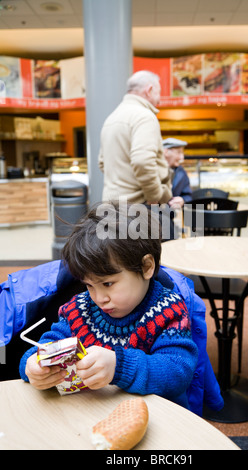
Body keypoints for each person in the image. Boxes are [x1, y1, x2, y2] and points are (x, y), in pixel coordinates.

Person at [19, 202, 199, 409]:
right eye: (89, 285)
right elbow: (51, 343)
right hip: (90, 414)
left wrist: (119, 367)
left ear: (147, 267)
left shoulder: (168, 310)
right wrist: (33, 365)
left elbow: (178, 370)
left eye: (108, 284)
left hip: (157, 418)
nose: (99, 298)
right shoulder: (79, 309)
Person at [99, 71, 172, 205]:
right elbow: (142, 161)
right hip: (138, 208)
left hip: (111, 206)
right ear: (149, 90)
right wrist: (154, 196)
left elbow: (102, 163)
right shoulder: (145, 117)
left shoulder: (111, 118)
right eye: (158, 93)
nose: (159, 100)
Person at [162, 138, 192, 209]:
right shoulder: (151, 170)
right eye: (178, 152)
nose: (182, 157)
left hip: (168, 217)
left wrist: (183, 200)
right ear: (166, 152)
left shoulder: (181, 172)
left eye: (182, 153)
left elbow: (188, 196)